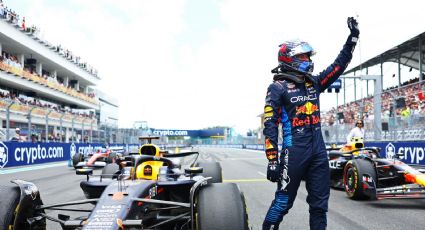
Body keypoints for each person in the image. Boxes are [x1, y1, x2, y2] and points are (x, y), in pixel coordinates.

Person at [262, 17, 359, 230]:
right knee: (283, 202)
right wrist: (272, 159)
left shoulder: (313, 82)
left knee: (319, 206)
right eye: (302, 56)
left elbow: (338, 66)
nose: (307, 59)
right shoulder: (277, 88)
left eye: (307, 55)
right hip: (293, 151)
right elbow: (269, 125)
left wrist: (352, 39)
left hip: (318, 151)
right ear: (289, 59)